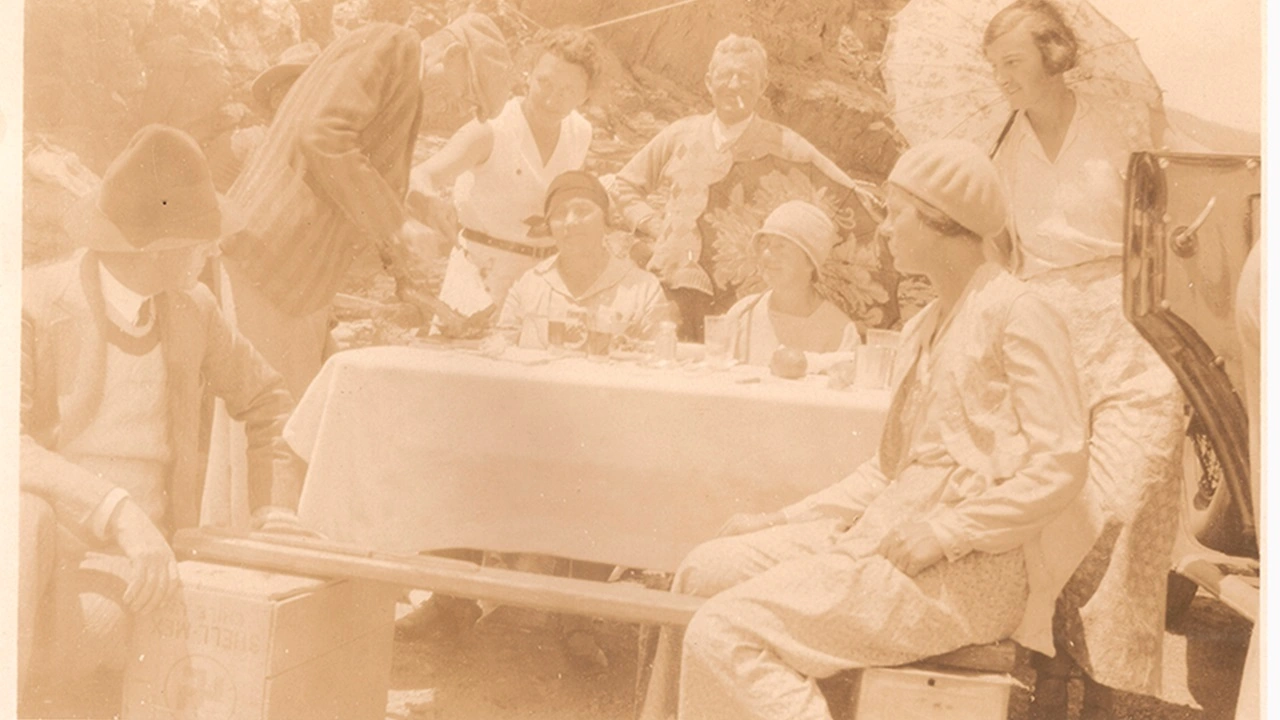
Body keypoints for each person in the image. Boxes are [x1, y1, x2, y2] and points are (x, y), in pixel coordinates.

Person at [639, 139, 1093, 720]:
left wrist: (949, 531)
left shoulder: (1019, 312)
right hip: (888, 536)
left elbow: (1061, 464)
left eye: (896, 213)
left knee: (726, 632)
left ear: (941, 221)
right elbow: (889, 471)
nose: (885, 229)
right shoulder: (924, 325)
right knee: (705, 571)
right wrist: (781, 519)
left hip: (966, 571)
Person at [18, 125, 307, 710]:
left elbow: (268, 401)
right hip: (44, 558)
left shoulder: (191, 309)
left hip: (148, 568)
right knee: (21, 517)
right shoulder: (30, 307)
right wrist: (117, 511)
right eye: (202, 238)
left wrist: (272, 508)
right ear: (158, 249)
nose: (213, 251)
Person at [204, 13, 513, 528]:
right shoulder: (394, 46)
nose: (460, 109)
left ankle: (259, 531)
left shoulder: (401, 73)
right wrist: (398, 223)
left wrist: (415, 214)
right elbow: (323, 137)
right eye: (469, 94)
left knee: (294, 413)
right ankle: (262, 540)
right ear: (453, 55)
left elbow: (356, 168)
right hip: (275, 256)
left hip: (296, 269)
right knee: (278, 414)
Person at [983, 1, 1187, 711]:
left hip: (1129, 327)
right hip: (1044, 330)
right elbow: (997, 248)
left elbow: (1164, 226)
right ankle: (1045, 665)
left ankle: (1107, 682)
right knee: (1047, 499)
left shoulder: (1119, 124)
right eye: (995, 66)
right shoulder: (1001, 144)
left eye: (1013, 62)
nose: (1002, 77)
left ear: (1056, 56)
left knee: (1124, 501)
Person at [612, 34, 867, 341]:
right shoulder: (680, 134)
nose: (734, 85)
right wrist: (654, 225)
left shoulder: (785, 145)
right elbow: (624, 185)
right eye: (725, 75)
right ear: (709, 81)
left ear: (762, 85)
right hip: (671, 287)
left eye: (745, 77)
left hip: (738, 300)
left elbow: (844, 193)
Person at [410, 26, 603, 326]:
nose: (552, 100)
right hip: (480, 279)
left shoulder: (580, 132)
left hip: (543, 283)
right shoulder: (491, 128)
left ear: (586, 95)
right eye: (545, 83)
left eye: (568, 91)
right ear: (528, 74)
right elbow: (422, 175)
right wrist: (432, 204)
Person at [496, 170, 674, 348]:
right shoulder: (529, 286)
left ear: (606, 219)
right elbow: (500, 352)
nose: (570, 222)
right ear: (549, 227)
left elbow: (659, 358)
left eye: (582, 211)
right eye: (559, 213)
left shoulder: (643, 291)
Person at [723, 200, 860, 369]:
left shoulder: (840, 331)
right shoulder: (742, 315)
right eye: (764, 243)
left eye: (781, 246)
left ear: (810, 262)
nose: (766, 255)